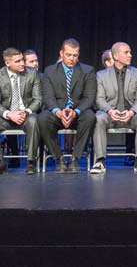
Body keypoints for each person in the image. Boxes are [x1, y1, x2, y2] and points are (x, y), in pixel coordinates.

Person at [37, 38, 97, 173]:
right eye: (68, 55)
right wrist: (58, 111)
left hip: (77, 112)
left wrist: (75, 112)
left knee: (90, 116)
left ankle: (76, 158)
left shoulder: (88, 71)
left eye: (75, 55)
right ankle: (59, 158)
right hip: (57, 112)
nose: (72, 58)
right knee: (42, 118)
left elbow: (89, 98)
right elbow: (48, 97)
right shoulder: (50, 71)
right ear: (61, 53)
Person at [92, 42, 137, 174]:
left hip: (131, 115)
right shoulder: (101, 75)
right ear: (116, 56)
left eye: (130, 52)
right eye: (126, 52)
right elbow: (99, 99)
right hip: (110, 114)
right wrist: (110, 111)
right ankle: (100, 161)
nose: (130, 55)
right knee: (98, 118)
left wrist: (131, 112)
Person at [0, 48, 42, 175]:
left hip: (25, 115)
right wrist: (9, 114)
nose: (22, 63)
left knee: (34, 121)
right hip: (6, 115)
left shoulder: (32, 73)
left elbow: (38, 100)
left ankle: (31, 162)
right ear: (7, 63)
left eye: (22, 59)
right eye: (18, 61)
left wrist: (26, 112)